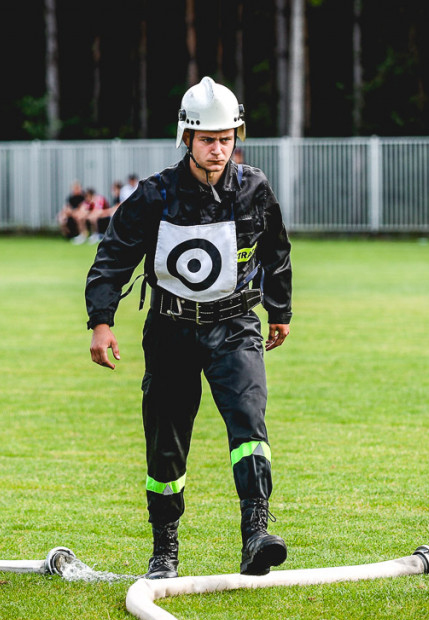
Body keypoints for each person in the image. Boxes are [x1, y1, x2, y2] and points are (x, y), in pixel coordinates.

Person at [85, 76, 293, 580]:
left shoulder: (255, 189)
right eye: (207, 140)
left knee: (248, 423)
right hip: (171, 331)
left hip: (236, 326)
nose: (218, 149)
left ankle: (256, 534)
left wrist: (279, 310)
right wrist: (101, 321)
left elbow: (276, 251)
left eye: (226, 139)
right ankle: (165, 552)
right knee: (166, 443)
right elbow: (113, 255)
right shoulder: (153, 195)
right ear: (187, 139)